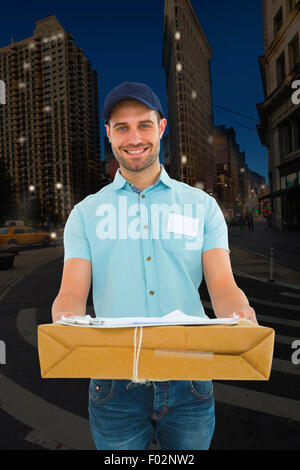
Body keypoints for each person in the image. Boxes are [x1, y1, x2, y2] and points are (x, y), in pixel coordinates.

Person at [51, 81, 258, 451]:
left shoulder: (202, 207)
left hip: (190, 376)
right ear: (109, 135)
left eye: (144, 125)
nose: (134, 138)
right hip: (114, 383)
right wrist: (65, 322)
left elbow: (223, 287)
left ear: (161, 127)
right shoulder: (84, 215)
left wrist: (240, 312)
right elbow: (71, 292)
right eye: (122, 127)